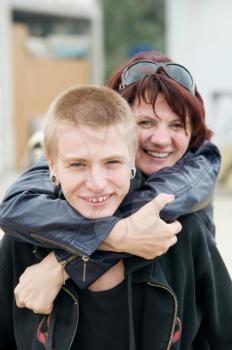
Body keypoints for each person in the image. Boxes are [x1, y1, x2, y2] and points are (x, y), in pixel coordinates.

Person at [2, 72, 232, 348]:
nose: (97, 183)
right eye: (78, 165)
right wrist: (115, 235)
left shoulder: (184, 234)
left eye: (112, 162)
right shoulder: (23, 243)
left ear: (131, 158)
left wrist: (63, 263)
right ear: (51, 166)